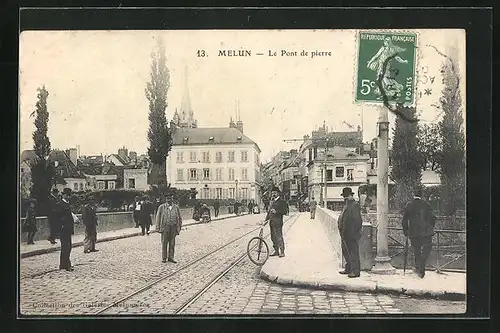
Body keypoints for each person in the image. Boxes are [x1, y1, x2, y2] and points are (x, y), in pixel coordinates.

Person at [402, 187, 436, 278]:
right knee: (427, 249)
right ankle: (421, 266)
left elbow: (404, 220)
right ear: (421, 195)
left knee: (416, 251)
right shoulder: (426, 204)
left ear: (413, 194)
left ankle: (419, 268)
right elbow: (433, 218)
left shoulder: (409, 205)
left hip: (414, 233)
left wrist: (406, 231)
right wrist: (430, 227)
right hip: (426, 233)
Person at [338, 187, 362, 278]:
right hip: (345, 234)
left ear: (351, 196)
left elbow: (357, 221)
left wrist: (354, 233)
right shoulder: (347, 205)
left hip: (351, 234)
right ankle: (348, 268)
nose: (345, 198)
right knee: (346, 252)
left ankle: (355, 271)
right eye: (345, 197)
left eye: (347, 196)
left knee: (353, 253)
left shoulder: (354, 205)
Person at [156, 194, 182, 263]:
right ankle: (164, 257)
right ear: (166, 199)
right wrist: (158, 227)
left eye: (170, 198)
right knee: (164, 242)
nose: (169, 200)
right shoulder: (162, 207)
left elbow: (179, 218)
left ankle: (171, 257)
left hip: (173, 227)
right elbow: (158, 217)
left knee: (172, 243)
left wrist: (179, 227)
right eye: (167, 198)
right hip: (165, 227)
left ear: (172, 199)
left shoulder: (176, 207)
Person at [264, 186, 288, 258]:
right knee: (273, 237)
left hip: (278, 222)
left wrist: (276, 211)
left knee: (279, 236)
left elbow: (285, 212)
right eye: (272, 193)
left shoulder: (282, 202)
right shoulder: (272, 202)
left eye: (275, 193)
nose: (273, 194)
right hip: (271, 222)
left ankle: (282, 252)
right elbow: (269, 212)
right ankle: (276, 251)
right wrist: (265, 220)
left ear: (278, 193)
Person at [59, 189, 75, 271]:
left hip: (68, 228)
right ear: (64, 195)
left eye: (70, 195)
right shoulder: (60, 204)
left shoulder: (67, 204)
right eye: (68, 195)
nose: (69, 197)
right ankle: (67, 265)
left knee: (67, 246)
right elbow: (57, 217)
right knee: (66, 247)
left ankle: (62, 265)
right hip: (63, 228)